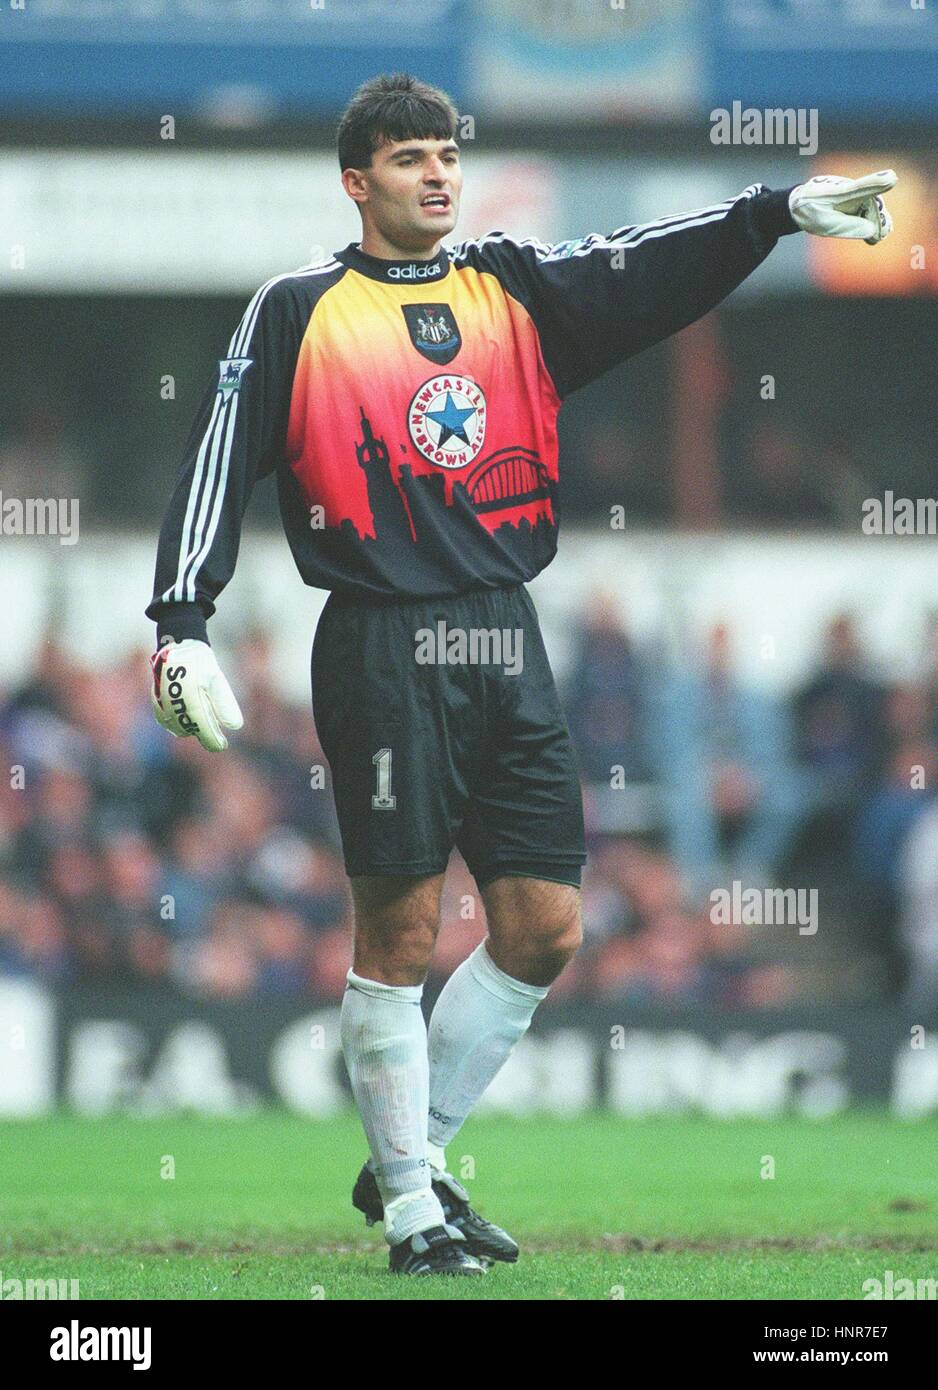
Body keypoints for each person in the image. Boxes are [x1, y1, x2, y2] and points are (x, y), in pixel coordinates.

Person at [145, 73, 896, 1276]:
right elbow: (217, 453)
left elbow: (639, 271)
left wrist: (769, 213)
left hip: (505, 633)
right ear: (357, 181)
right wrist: (182, 620)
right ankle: (408, 1215)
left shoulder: (510, 288)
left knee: (544, 926)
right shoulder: (298, 308)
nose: (435, 172)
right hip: (381, 636)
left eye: (445, 152)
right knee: (394, 929)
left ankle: (414, 1152)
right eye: (407, 158)